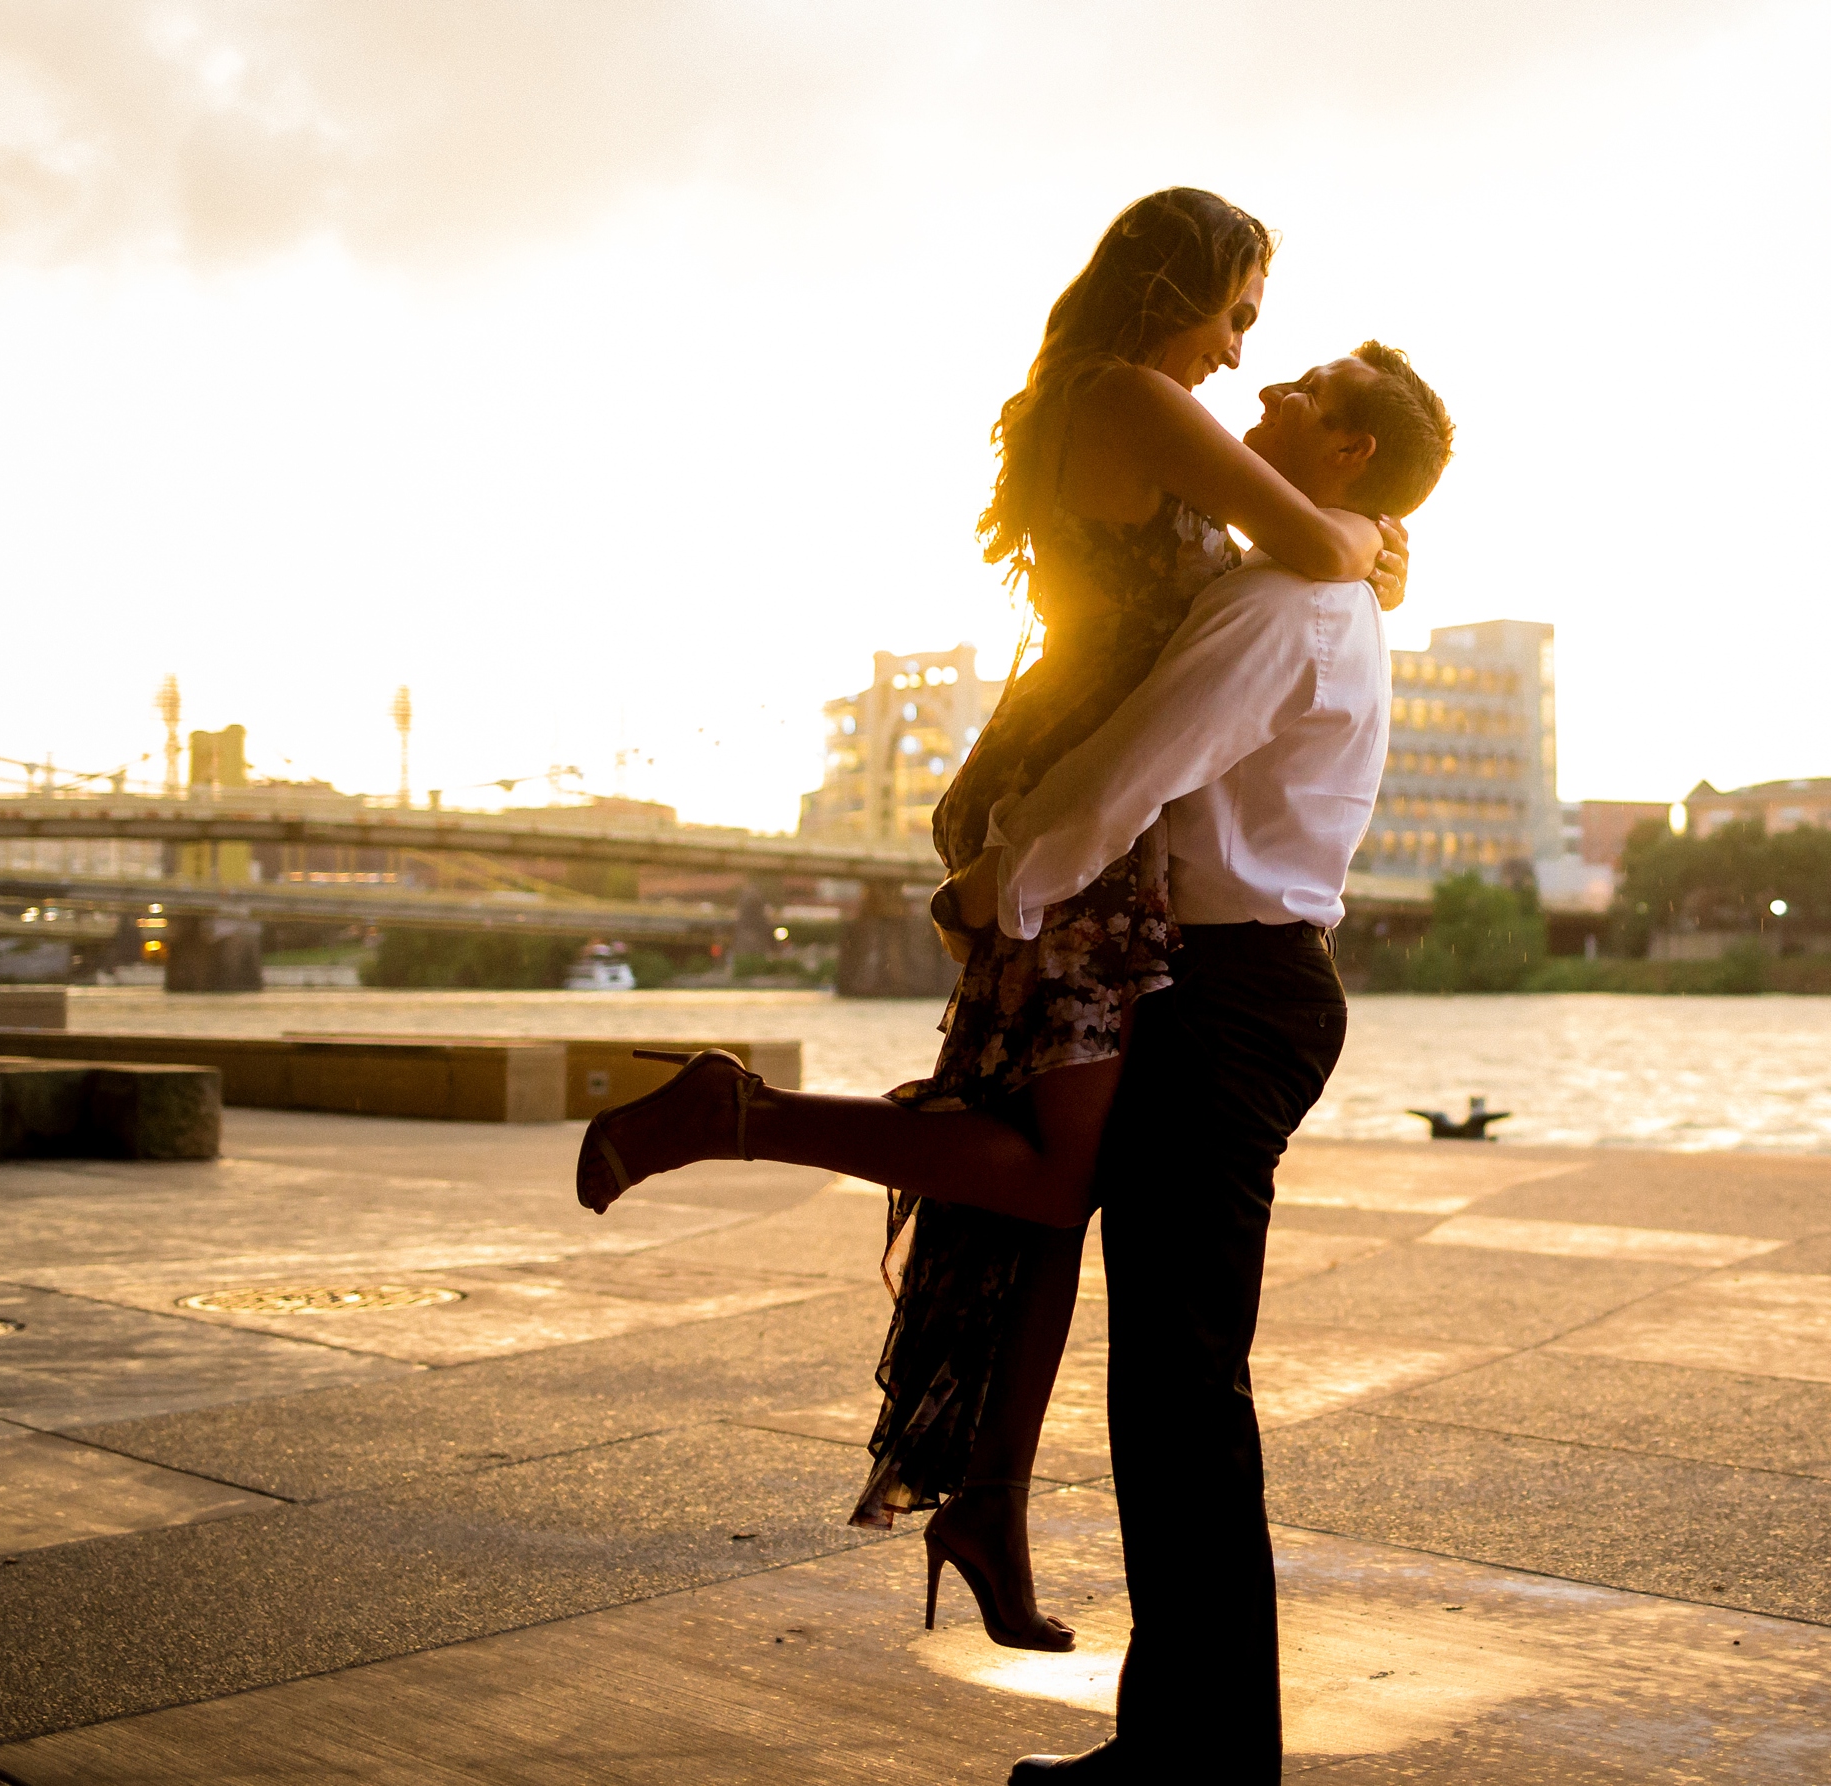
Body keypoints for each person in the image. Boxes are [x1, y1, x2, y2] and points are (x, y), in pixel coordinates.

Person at [571, 188, 1407, 1652]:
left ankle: (991, 1503)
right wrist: (1369, 523)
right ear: (1175, 283)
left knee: (1048, 1192)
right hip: (1066, 822)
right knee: (1051, 1175)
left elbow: (1314, 548)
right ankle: (735, 1112)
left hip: (1088, 817)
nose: (1237, 354)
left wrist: (1366, 522)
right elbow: (1319, 548)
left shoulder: (1105, 392)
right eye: (1236, 313)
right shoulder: (1133, 394)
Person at [948, 343, 1455, 1782]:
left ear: (1349, 448)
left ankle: (1193, 1762)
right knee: (1181, 1384)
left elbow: (1131, 770)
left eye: (1311, 386)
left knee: (1179, 1388)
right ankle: (1194, 1748)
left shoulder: (1286, 609)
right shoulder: (1313, 579)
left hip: (1228, 997)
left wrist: (993, 884)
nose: (1273, 383)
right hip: (1247, 989)